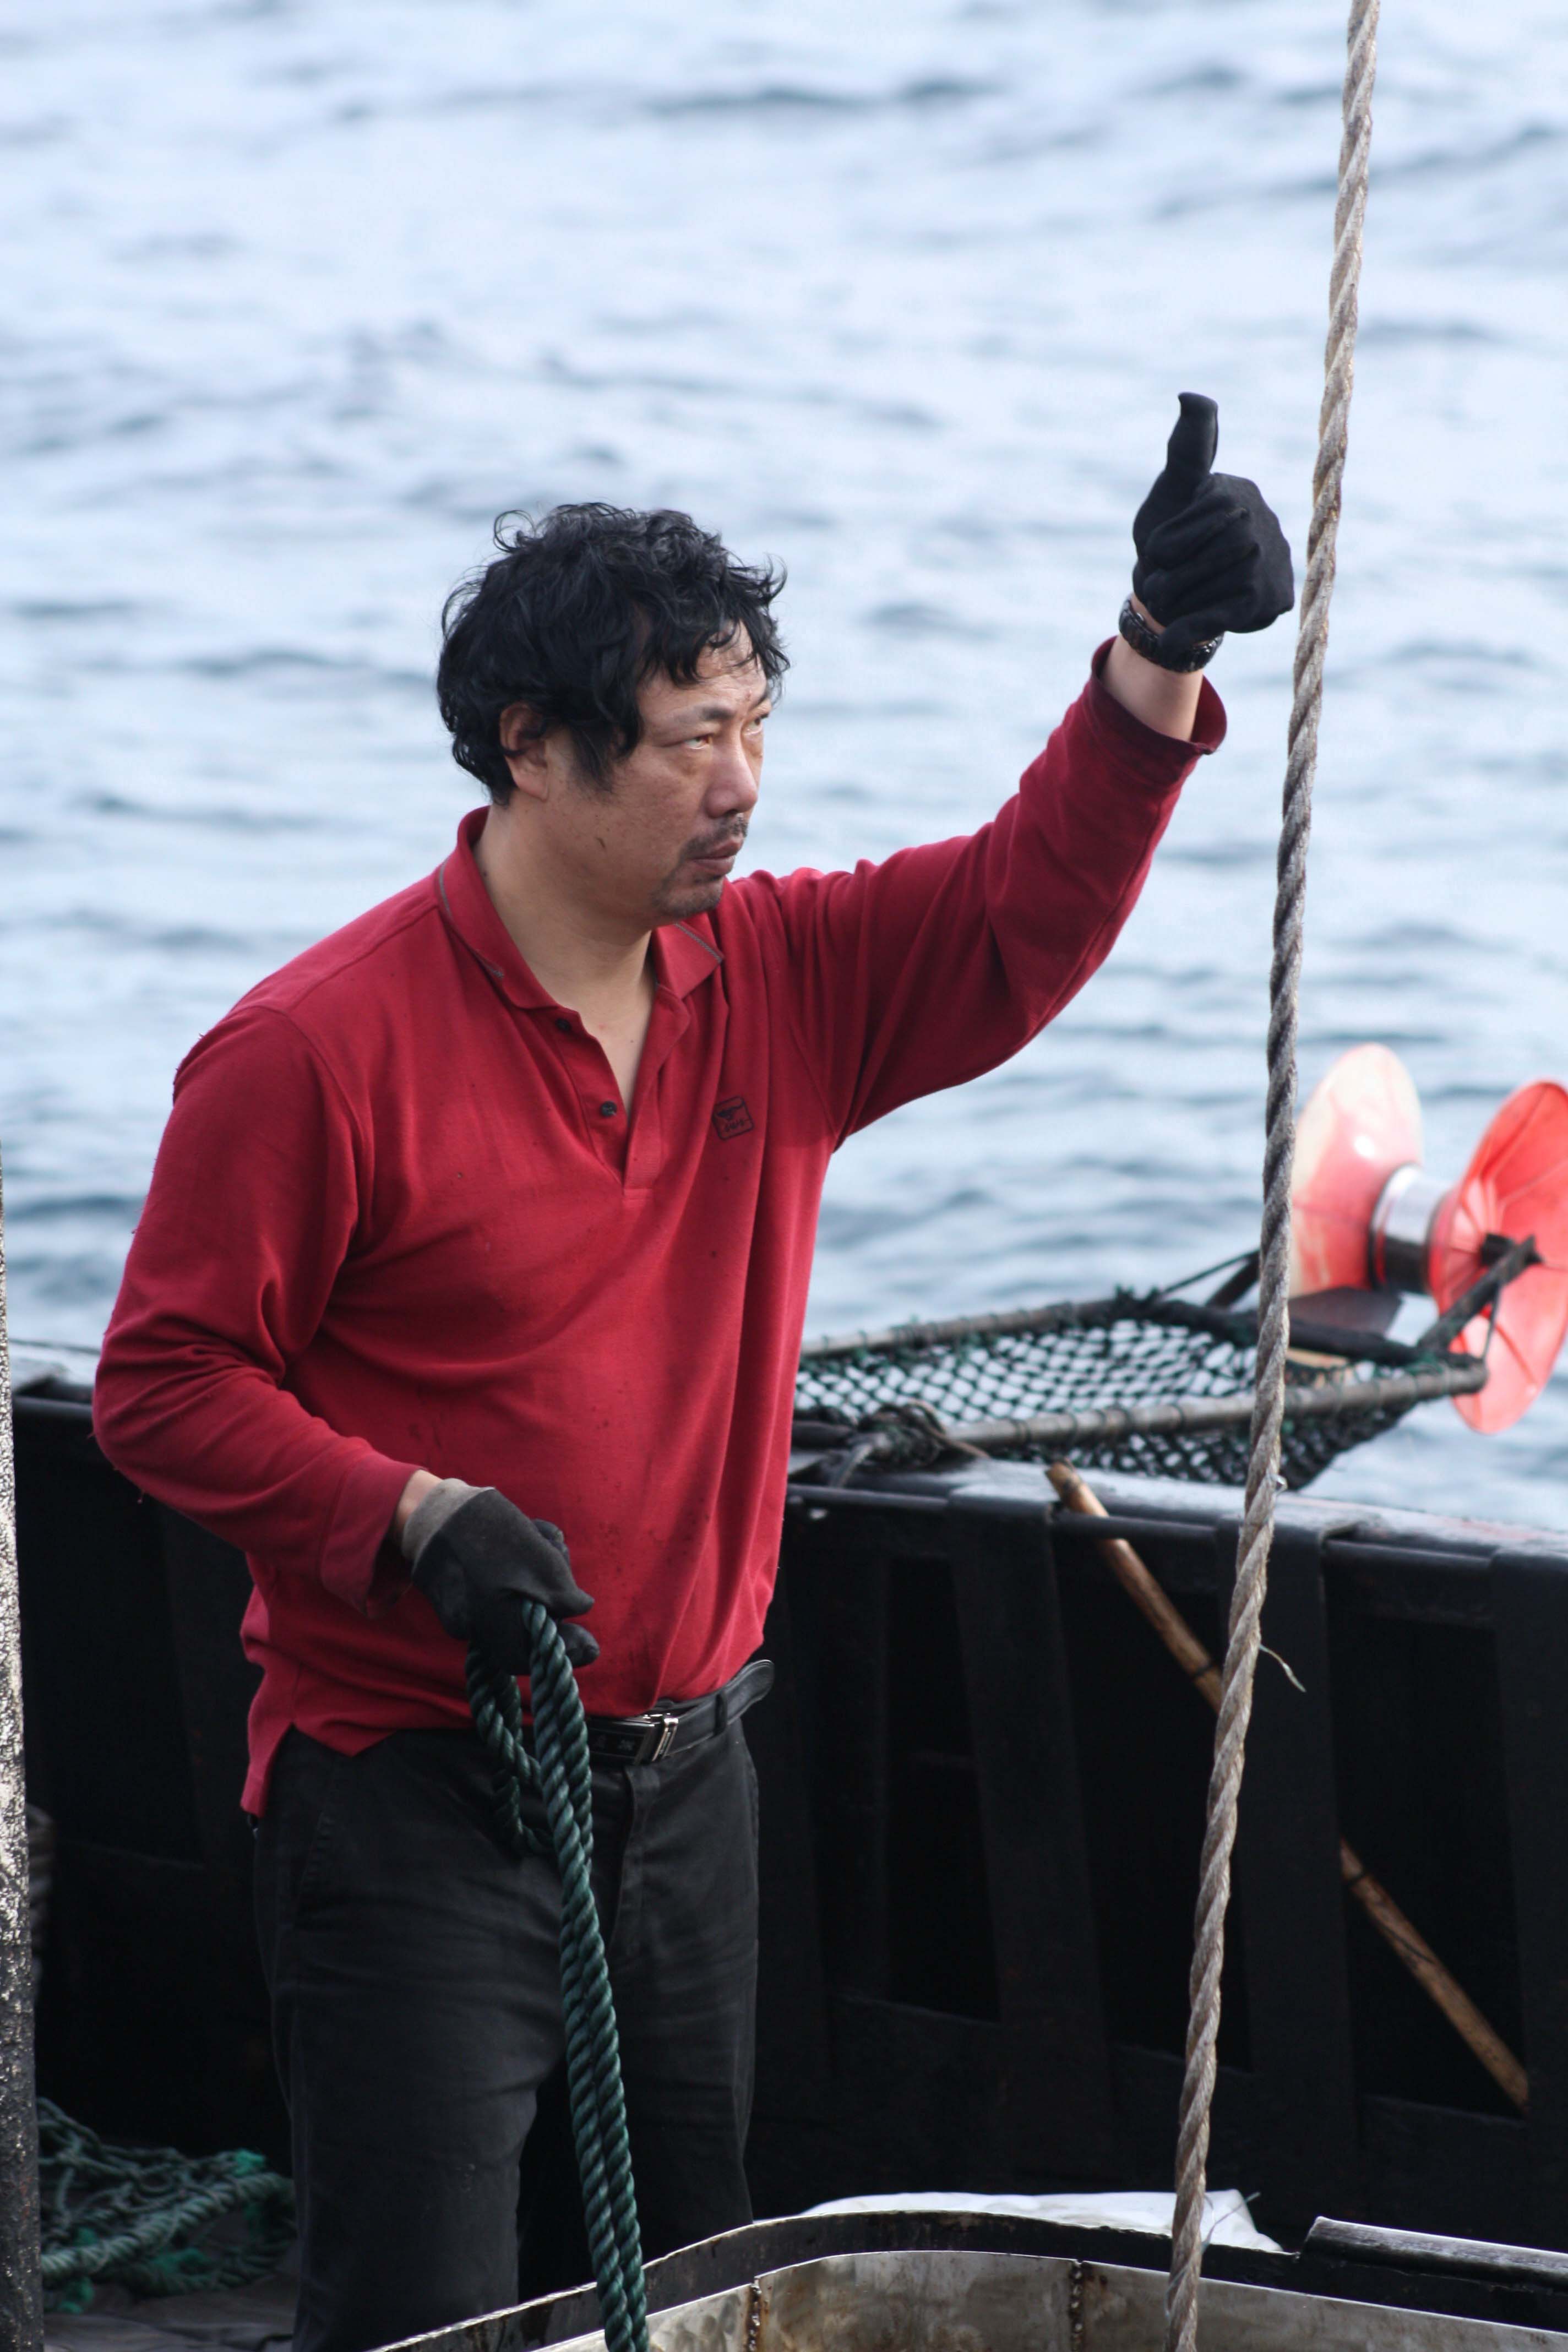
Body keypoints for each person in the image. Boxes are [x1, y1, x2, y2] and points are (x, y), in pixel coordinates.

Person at [93, 391, 1291, 2352]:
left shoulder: (786, 979)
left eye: (757, 727)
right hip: (414, 1797)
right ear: (531, 746)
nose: (742, 785)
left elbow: (1020, 912)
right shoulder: (312, 1051)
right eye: (687, 743)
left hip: (692, 1785)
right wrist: (409, 1516)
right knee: (421, 2314)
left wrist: (1158, 654)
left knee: (685, 2299)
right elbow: (161, 1382)